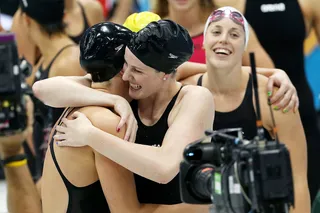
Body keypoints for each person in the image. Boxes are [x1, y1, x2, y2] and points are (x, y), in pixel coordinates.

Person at [35, 19, 215, 207]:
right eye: (125, 66)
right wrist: (114, 100)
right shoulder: (131, 90)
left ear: (165, 74)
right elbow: (44, 88)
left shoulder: (194, 98)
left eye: (136, 70)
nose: (127, 75)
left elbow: (164, 167)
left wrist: (91, 136)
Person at [195, 6, 308, 212]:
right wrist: (276, 70)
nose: (224, 39)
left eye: (235, 34)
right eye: (216, 31)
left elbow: (298, 180)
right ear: (203, 41)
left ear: (245, 45)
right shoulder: (186, 91)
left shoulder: (273, 97)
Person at [153, 0, 274, 68]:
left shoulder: (230, 25)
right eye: (216, 33)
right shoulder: (151, 30)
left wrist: (279, 75)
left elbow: (267, 73)